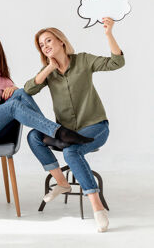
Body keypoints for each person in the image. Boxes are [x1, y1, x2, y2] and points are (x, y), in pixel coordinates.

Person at [24, 18, 125, 232]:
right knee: (33, 136)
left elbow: (117, 63)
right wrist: (49, 67)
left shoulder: (84, 60)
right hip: (66, 132)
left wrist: (108, 34)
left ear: (61, 41)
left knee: (71, 151)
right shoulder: (48, 73)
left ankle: (97, 209)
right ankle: (62, 183)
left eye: (48, 40)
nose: (45, 46)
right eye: (41, 45)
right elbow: (29, 90)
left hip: (95, 127)